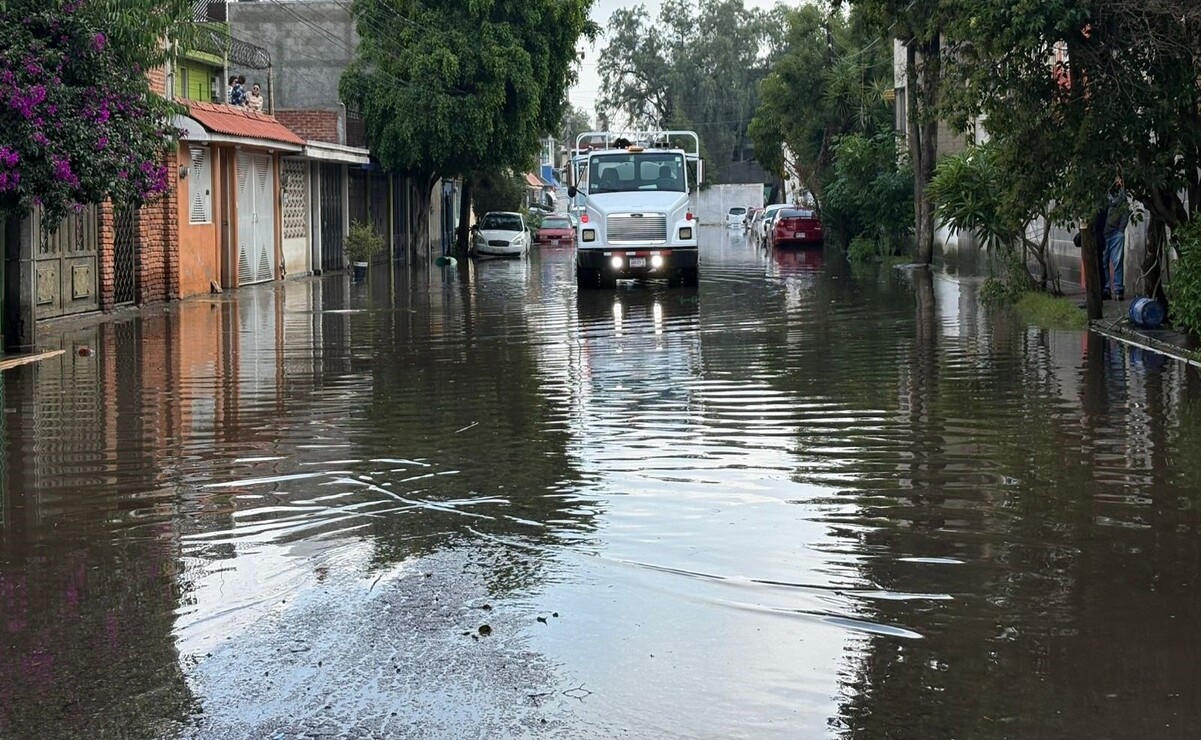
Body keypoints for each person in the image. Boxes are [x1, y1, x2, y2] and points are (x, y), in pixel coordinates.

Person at [1103, 173, 1130, 300]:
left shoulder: (1120, 194)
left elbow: (1125, 211)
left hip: (1116, 233)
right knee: (1103, 262)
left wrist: (1121, 229)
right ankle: (1106, 288)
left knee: (1117, 262)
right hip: (1102, 234)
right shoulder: (1098, 194)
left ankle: (1118, 289)